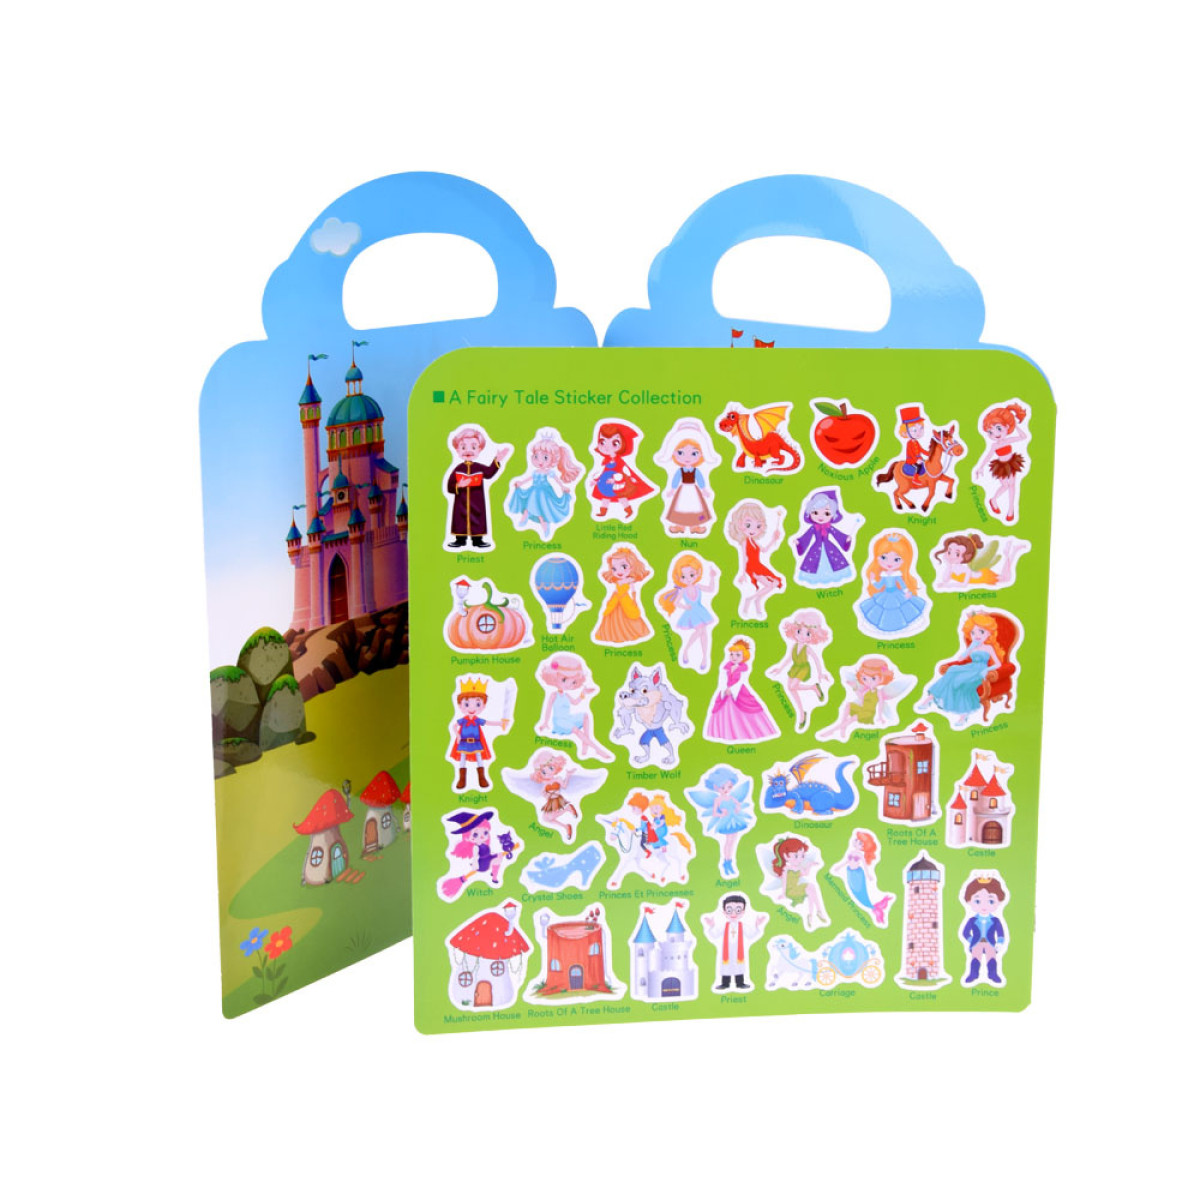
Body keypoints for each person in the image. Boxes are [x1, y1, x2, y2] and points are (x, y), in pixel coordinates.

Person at [506, 430, 581, 539]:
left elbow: (557, 481)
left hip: (544, 493)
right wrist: (521, 483)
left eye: (545, 457)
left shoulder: (549, 472)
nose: (540, 461)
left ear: (553, 460)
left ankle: (545, 527)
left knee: (541, 514)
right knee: (528, 507)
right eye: (536, 456)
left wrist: (563, 487)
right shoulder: (535, 472)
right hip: (534, 491)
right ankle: (525, 518)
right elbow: (529, 479)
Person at [445, 426, 509, 549]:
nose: (468, 451)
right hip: (461, 503)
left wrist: (497, 460)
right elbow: (449, 486)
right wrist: (458, 485)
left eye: (473, 447)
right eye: (463, 447)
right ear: (457, 449)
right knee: (460, 520)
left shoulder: (479, 467)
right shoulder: (458, 468)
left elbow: (489, 473)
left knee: (477, 520)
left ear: (479, 449)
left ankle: (478, 540)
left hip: (477, 501)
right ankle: (460, 539)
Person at [705, 638, 779, 744]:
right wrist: (724, 689)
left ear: (744, 657)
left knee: (746, 712)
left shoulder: (744, 669)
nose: (734, 657)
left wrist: (732, 689)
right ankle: (726, 734)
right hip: (725, 693)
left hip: (739, 692)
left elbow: (741, 681)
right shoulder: (726, 667)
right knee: (724, 714)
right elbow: (722, 680)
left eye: (737, 655)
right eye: (732, 654)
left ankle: (746, 733)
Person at [656, 553, 718, 672]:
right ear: (678, 577)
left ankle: (705, 657)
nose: (688, 579)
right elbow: (676, 603)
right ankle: (686, 650)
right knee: (700, 631)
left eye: (691, 575)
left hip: (700, 611)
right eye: (683, 577)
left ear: (698, 573)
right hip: (691, 613)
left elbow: (711, 589)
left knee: (704, 633)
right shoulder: (683, 590)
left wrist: (712, 577)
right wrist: (685, 606)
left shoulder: (698, 586)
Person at [702, 894, 767, 991]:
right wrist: (711, 926)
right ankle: (725, 984)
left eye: (738, 910)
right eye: (729, 910)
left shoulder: (743, 926)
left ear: (743, 912)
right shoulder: (724, 926)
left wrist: (757, 925)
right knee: (726, 967)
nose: (733, 914)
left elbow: (751, 935)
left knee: (739, 967)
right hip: (726, 953)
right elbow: (714, 935)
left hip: (738, 953)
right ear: (724, 912)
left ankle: (740, 983)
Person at [594, 546, 652, 644]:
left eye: (624, 567)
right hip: (616, 599)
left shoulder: (629, 580)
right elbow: (620, 587)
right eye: (614, 569)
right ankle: (614, 635)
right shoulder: (620, 581)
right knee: (612, 617)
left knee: (630, 615)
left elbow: (633, 588)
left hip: (625, 600)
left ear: (632, 566)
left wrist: (634, 597)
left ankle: (630, 633)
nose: (619, 572)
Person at [960, 875, 1008, 985]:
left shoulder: (995, 920)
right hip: (976, 943)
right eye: (977, 901)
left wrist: (1000, 943)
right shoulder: (972, 920)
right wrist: (972, 940)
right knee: (975, 958)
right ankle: (973, 974)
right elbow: (965, 932)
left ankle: (993, 974)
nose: (984, 906)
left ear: (999, 901)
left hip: (990, 943)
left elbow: (1000, 933)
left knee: (991, 958)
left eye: (991, 901)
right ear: (969, 901)